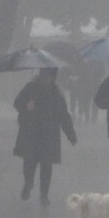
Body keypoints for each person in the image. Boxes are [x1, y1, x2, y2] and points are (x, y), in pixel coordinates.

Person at [13, 67, 77, 206]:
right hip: (30, 132)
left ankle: (44, 194)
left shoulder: (56, 93)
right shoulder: (30, 88)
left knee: (46, 166)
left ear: (53, 77)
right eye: (45, 75)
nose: (47, 79)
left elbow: (63, 115)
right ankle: (28, 183)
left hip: (49, 135)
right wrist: (26, 106)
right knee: (29, 162)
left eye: (50, 76)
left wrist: (70, 134)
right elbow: (17, 102)